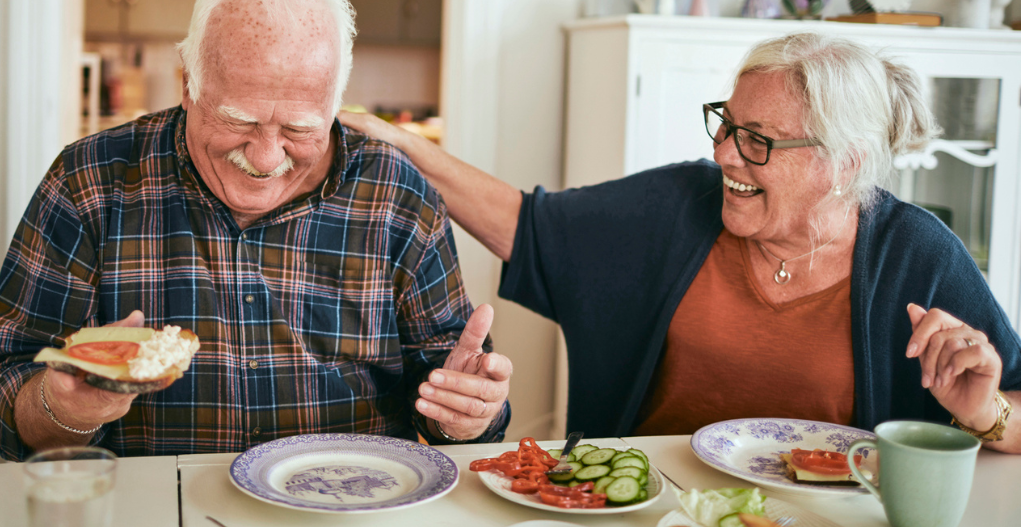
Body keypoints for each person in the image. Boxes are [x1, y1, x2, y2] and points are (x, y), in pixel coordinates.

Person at [340, 32, 1021, 453]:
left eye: (758, 141)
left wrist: (983, 411)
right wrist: (401, 142)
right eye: (726, 124)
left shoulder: (916, 253)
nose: (725, 153)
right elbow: (526, 225)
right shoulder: (678, 206)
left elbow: (1010, 408)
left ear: (843, 162)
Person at [0, 0, 512, 461]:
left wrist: (467, 416)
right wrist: (63, 409)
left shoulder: (397, 193)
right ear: (187, 84)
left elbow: (456, 401)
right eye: (238, 120)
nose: (264, 157)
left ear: (335, 104)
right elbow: (7, 404)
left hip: (353, 505)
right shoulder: (89, 181)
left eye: (300, 129)